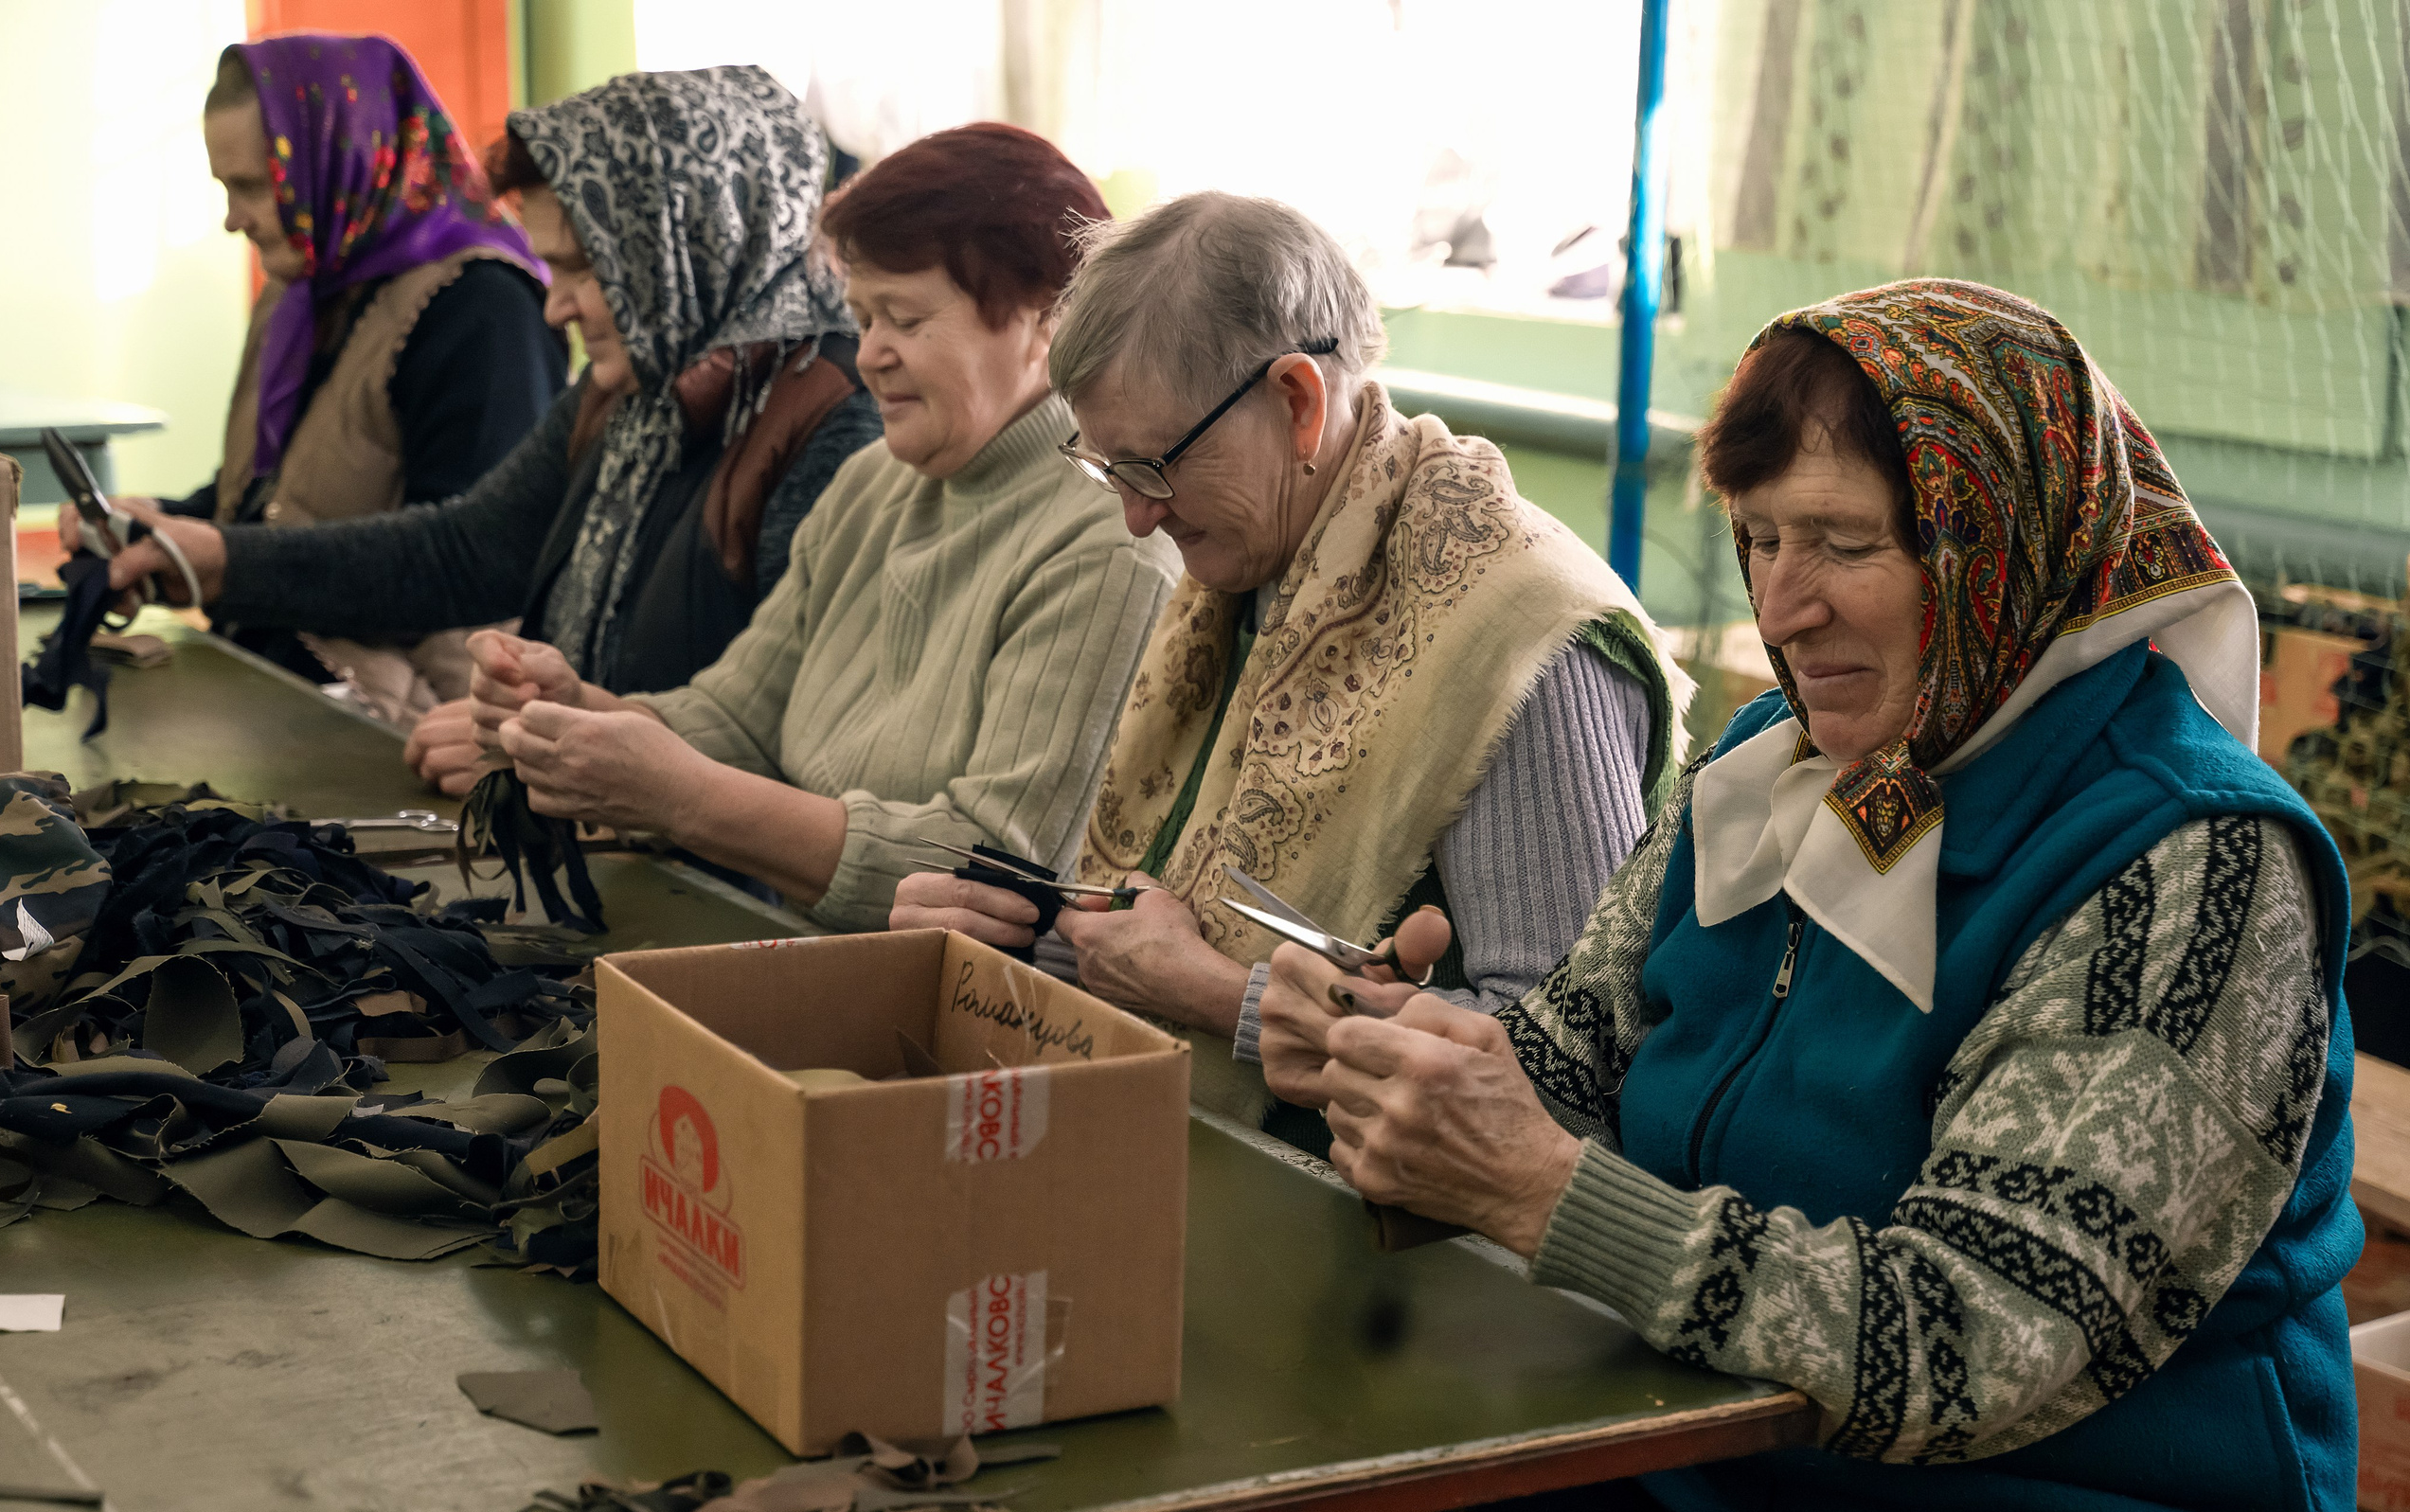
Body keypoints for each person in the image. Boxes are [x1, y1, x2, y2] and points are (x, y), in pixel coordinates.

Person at [1260, 281, 2356, 1512]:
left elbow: (1968, 1338)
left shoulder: (2190, 861)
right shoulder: (1764, 767)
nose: (1782, 609)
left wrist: (1547, 1191)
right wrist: (1400, 1060)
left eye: (1842, 543)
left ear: (2001, 542)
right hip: (1702, 1467)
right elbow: (1574, 1049)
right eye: (1760, 535)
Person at [890, 193, 1687, 1132]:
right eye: (1107, 470)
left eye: (1151, 468)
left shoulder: (1517, 638)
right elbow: (1161, 931)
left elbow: (1563, 1084)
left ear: (1298, 403)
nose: (1135, 516)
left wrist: (1223, 997)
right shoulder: (1251, 579)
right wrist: (1014, 933)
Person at [459, 124, 1179, 933]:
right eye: (862, 317)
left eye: (903, 319)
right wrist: (579, 715)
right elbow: (736, 719)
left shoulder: (1110, 544)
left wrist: (679, 794)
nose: (869, 354)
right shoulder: (873, 484)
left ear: (1050, 322)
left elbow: (998, 871)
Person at [94, 65, 883, 794]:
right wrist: (218, 558)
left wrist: (554, 755)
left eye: (583, 270)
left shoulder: (832, 423)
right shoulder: (637, 389)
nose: (555, 306)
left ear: (685, 244)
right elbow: (468, 548)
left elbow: (804, 746)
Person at [61, 35, 566, 724]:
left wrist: (227, 561)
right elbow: (273, 500)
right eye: (224, 188)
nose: (232, 218)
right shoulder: (305, 291)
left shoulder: (484, 309)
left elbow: (461, 562)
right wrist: (156, 528)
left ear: (340, 158)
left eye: (251, 188)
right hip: (284, 694)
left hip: (410, 732)